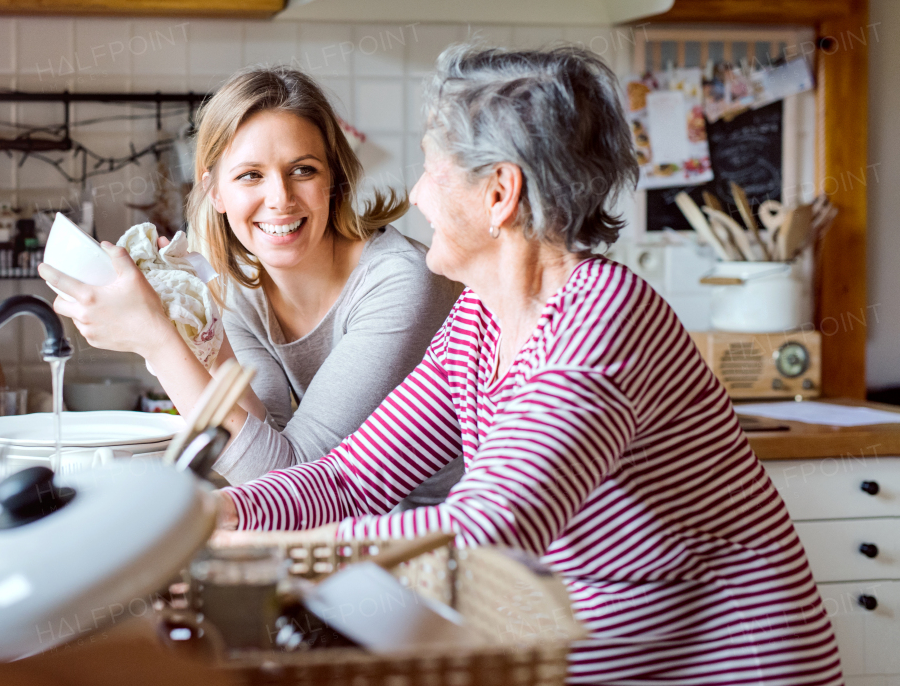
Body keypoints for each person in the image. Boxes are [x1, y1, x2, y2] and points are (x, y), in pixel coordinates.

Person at [216, 46, 842, 685]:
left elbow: (489, 528)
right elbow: (351, 480)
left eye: (432, 169)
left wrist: (270, 556)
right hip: (591, 651)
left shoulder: (602, 317)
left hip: (725, 665)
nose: (415, 194)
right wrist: (221, 517)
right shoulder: (479, 319)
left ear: (498, 193)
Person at [40, 66, 462, 504]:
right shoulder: (242, 288)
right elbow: (262, 442)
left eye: (302, 170)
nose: (280, 198)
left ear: (333, 180)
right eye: (250, 175)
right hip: (350, 529)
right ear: (215, 191)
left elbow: (290, 480)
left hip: (447, 537)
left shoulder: (400, 281)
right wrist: (195, 325)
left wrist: (158, 342)